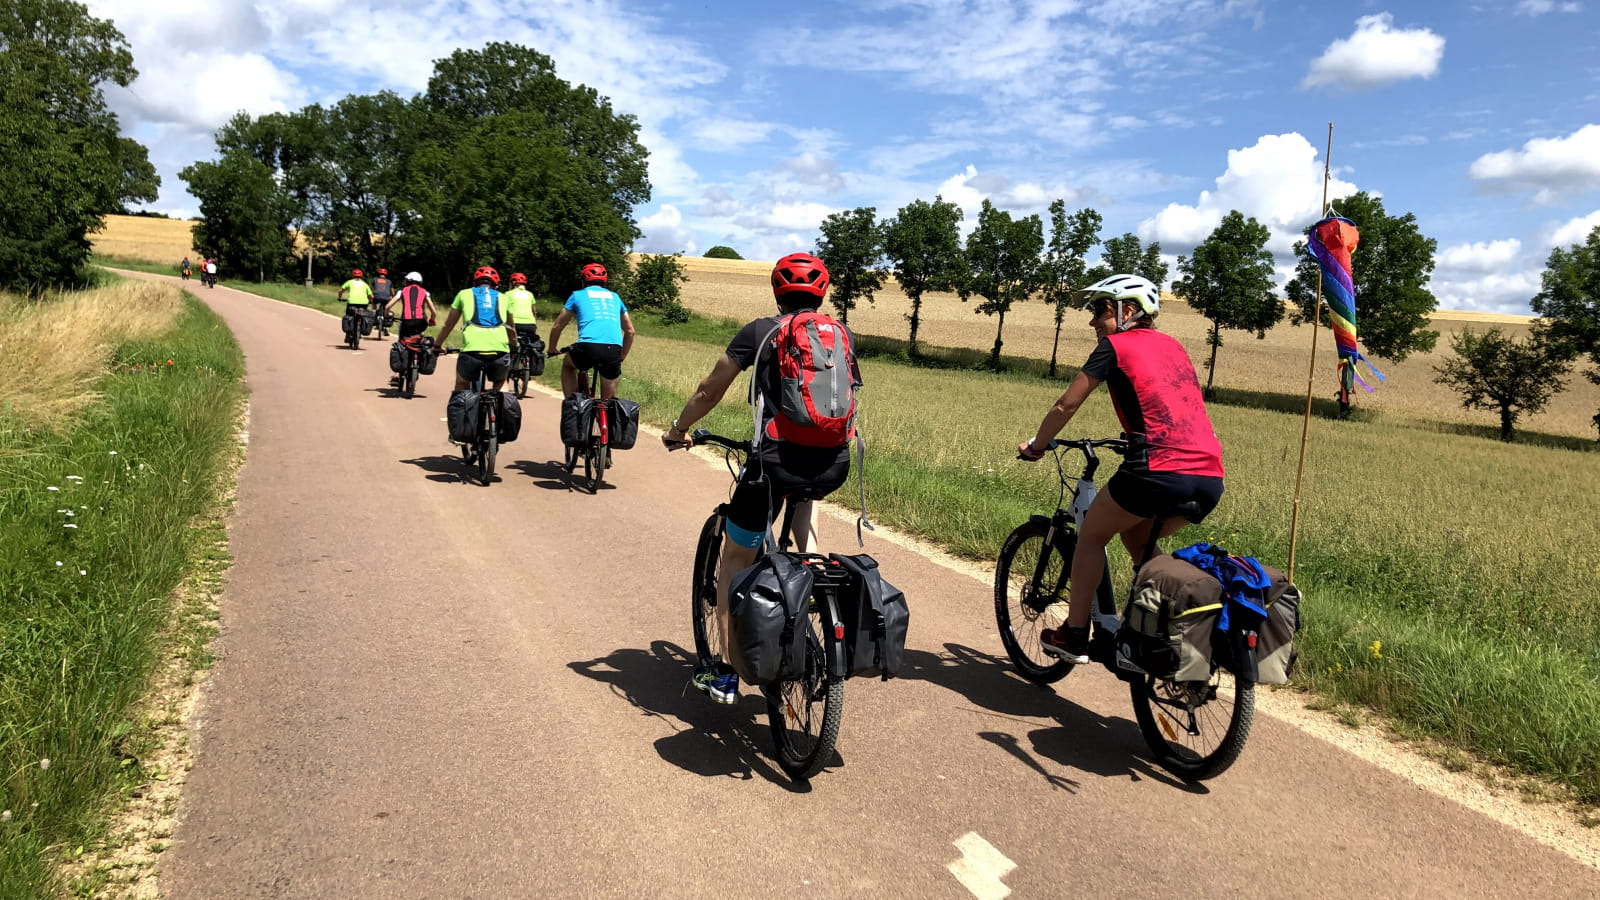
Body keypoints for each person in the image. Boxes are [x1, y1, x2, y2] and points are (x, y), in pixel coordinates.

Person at [662, 253, 861, 705]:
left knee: (735, 559)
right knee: (806, 520)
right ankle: (814, 612)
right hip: (833, 464)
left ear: (776, 292)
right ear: (822, 294)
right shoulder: (840, 335)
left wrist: (679, 430)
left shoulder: (760, 331)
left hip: (772, 463)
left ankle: (727, 672)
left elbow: (709, 389)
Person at [1016, 273, 1225, 664]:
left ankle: (1075, 634)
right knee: (1137, 539)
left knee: (1092, 535)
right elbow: (1167, 404)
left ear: (1127, 311)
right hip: (1209, 477)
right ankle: (1151, 633)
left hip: (1158, 472)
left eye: (1099, 310)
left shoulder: (1115, 345)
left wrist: (1037, 446)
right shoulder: (1174, 346)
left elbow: (1067, 405)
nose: (1092, 321)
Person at [546, 263, 633, 401]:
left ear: (583, 281)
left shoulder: (577, 295)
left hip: (587, 347)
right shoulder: (615, 297)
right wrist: (621, 357)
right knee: (608, 402)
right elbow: (630, 331)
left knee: (568, 365)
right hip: (613, 350)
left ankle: (572, 404)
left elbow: (558, 325)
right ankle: (605, 417)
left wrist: (552, 348)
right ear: (605, 281)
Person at [434, 265, 516, 392]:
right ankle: (500, 409)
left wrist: (437, 345)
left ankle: (463, 410)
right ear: (496, 285)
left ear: (474, 283)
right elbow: (511, 328)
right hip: (499, 351)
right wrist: (514, 346)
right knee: (501, 381)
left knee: (462, 384)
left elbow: (448, 325)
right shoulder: (504, 297)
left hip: (471, 351)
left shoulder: (463, 294)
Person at [384, 271, 436, 339]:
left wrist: (387, 315)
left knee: (402, 341)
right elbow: (434, 312)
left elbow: (387, 307)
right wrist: (432, 320)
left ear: (408, 281)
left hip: (407, 322)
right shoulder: (425, 292)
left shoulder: (402, 291)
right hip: (421, 322)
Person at [504, 272, 540, 349]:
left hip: (515, 324)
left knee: (509, 344)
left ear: (513, 282)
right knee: (529, 345)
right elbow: (534, 311)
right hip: (530, 324)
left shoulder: (508, 294)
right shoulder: (530, 294)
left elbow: (504, 311)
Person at [338, 269, 373, 338]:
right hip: (364, 303)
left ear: (353, 275)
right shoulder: (365, 284)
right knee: (363, 314)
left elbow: (340, 291)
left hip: (352, 303)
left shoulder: (349, 282)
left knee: (349, 315)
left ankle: (348, 335)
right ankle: (362, 327)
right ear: (361, 276)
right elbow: (371, 296)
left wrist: (340, 297)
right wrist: (371, 301)